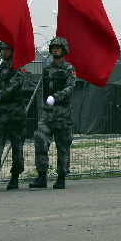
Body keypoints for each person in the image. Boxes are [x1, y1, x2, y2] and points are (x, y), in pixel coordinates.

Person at [30, 37, 77, 190]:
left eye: (58, 48)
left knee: (62, 145)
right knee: (40, 139)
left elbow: (70, 88)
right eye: (53, 47)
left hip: (62, 112)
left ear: (64, 50)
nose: (55, 50)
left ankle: (61, 177)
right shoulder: (48, 69)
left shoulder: (69, 69)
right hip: (48, 112)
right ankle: (42, 175)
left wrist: (56, 97)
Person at [0, 42, 30, 190]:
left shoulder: (18, 67)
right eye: (3, 49)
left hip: (15, 115)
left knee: (17, 148)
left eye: (8, 50)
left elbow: (13, 85)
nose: (5, 52)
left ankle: (15, 177)